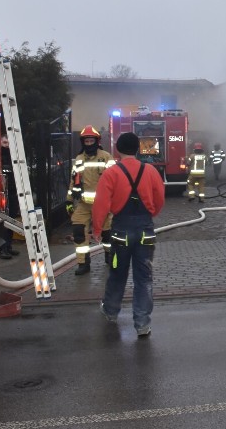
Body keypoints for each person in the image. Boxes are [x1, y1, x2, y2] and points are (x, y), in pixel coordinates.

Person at [92, 132, 165, 338]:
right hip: (145, 230)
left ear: (118, 149)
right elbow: (159, 199)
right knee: (144, 278)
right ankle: (142, 324)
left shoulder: (111, 173)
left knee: (117, 273)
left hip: (120, 232)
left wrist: (97, 230)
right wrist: (150, 215)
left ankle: (111, 311)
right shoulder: (150, 171)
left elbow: (101, 205)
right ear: (138, 149)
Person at [66, 125, 115, 275]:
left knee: (107, 234)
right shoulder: (79, 160)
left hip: (104, 205)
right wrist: (68, 200)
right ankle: (83, 263)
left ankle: (109, 255)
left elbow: (115, 180)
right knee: (78, 231)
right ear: (83, 143)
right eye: (86, 141)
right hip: (83, 204)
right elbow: (73, 181)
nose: (89, 144)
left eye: (91, 141)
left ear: (97, 141)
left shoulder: (106, 157)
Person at [0, 134, 21, 260]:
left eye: (9, 143)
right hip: (3, 193)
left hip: (12, 192)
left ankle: (8, 246)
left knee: (11, 219)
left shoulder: (12, 158)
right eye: (5, 143)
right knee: (4, 222)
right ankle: (2, 249)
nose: (7, 146)